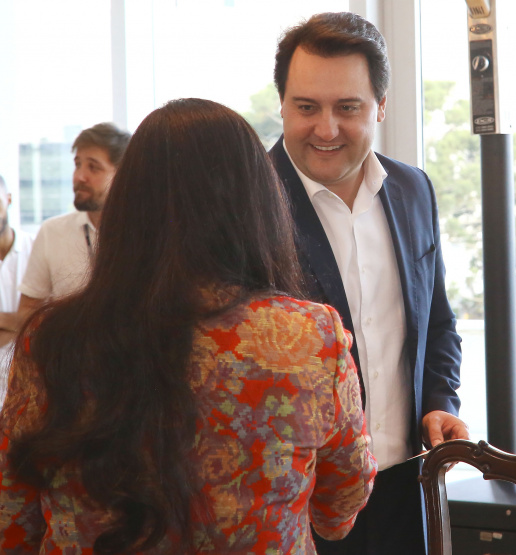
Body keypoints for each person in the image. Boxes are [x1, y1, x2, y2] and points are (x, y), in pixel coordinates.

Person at [0, 98, 376, 553]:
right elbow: (341, 507)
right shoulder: (310, 338)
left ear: (126, 205)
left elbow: (13, 517)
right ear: (258, 205)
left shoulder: (51, 340)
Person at [269, 12, 467, 554]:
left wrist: (439, 400)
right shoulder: (249, 206)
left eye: (348, 108)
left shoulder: (413, 188)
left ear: (380, 106)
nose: (326, 129)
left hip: (407, 485)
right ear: (282, 104)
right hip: (297, 497)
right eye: (306, 107)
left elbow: (438, 320)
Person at [2, 123, 131, 335]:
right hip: (68, 362)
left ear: (122, 174)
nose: (79, 176)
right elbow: (27, 314)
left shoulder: (147, 233)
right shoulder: (52, 232)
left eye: (93, 167)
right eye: (77, 164)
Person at [0, 174, 34, 397]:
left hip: (29, 387)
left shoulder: (37, 251)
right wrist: (23, 319)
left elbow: (46, 321)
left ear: (9, 199)